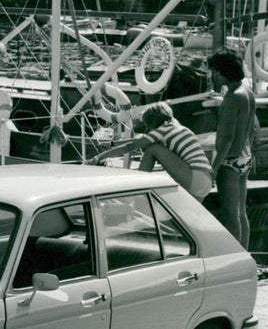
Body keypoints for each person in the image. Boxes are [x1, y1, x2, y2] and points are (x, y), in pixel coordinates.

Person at [89, 102, 212, 203]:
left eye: (147, 126)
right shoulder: (175, 128)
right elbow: (138, 141)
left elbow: (131, 146)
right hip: (205, 180)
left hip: (194, 177)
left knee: (153, 149)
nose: (147, 130)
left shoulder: (163, 129)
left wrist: (99, 157)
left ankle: (137, 189)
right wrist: (113, 144)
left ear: (153, 122)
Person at [207, 48, 257, 249]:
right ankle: (246, 254)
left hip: (229, 161)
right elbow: (251, 129)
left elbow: (226, 138)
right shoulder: (247, 92)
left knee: (230, 215)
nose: (212, 76)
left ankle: (236, 258)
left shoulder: (231, 98)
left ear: (221, 72)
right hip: (244, 156)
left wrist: (215, 167)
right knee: (241, 212)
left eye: (214, 72)